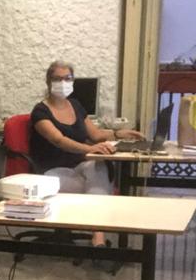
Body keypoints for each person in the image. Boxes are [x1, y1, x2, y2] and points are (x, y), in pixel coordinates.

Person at [29, 61, 143, 253]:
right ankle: (98, 239)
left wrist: (118, 134)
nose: (63, 82)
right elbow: (58, 140)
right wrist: (90, 149)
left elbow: (96, 135)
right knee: (99, 186)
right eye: (57, 78)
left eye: (68, 78)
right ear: (48, 81)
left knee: (99, 167)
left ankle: (97, 237)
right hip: (50, 173)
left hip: (78, 167)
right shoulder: (40, 111)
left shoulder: (75, 105)